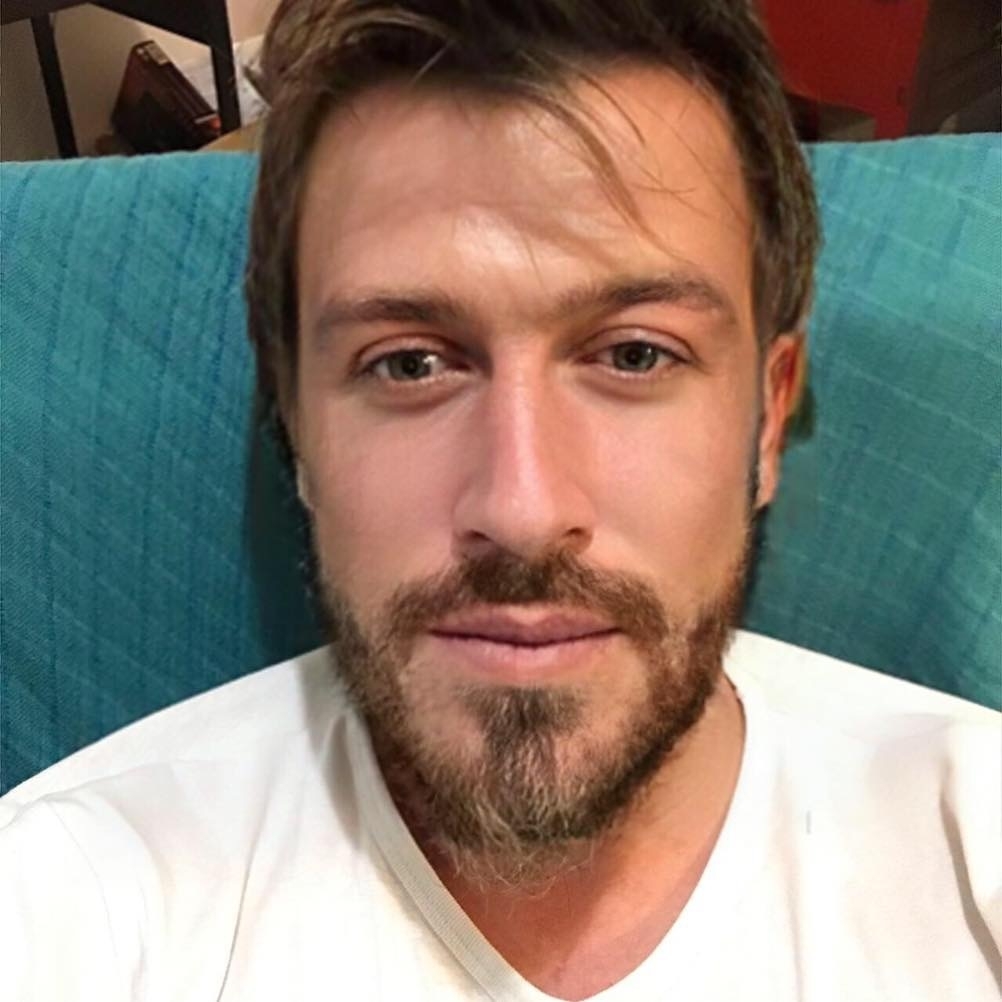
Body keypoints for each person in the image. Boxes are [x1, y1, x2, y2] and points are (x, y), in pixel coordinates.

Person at [2, 2, 999, 999]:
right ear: (295, 426)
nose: (522, 511)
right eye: (409, 363)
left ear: (768, 420)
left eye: (635, 354)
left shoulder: (972, 855)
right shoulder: (77, 899)